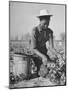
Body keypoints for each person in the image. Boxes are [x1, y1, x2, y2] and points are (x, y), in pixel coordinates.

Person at [32, 9, 54, 76]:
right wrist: (43, 56)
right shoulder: (35, 31)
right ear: (40, 21)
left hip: (44, 54)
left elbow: (51, 47)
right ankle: (37, 68)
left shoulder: (49, 31)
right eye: (44, 24)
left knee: (53, 66)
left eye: (48, 23)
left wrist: (58, 55)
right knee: (44, 73)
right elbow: (34, 48)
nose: (46, 26)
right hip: (36, 55)